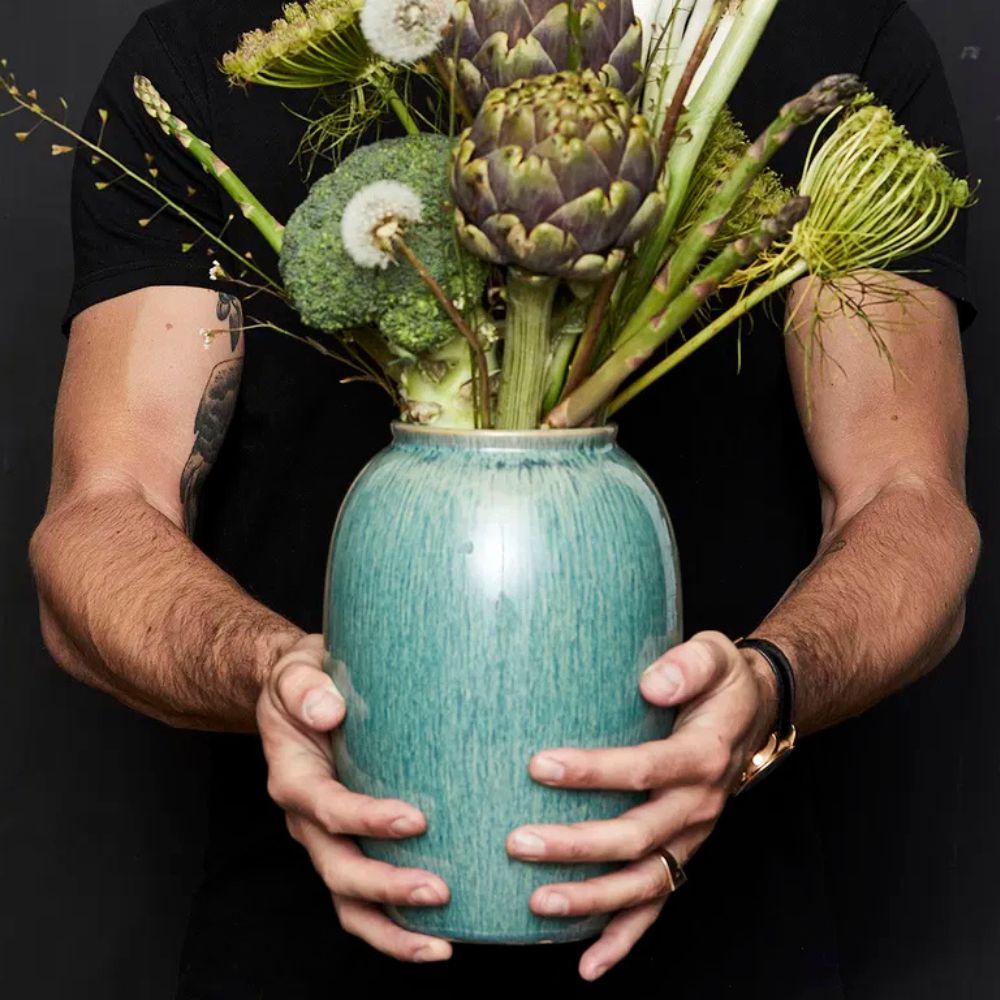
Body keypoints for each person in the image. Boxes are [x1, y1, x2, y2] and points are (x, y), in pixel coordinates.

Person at [29, 0, 979, 996]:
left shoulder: (836, 40)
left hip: (733, 946)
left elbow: (907, 496)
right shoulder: (204, 53)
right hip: (296, 954)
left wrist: (769, 687)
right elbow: (103, 510)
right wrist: (275, 676)